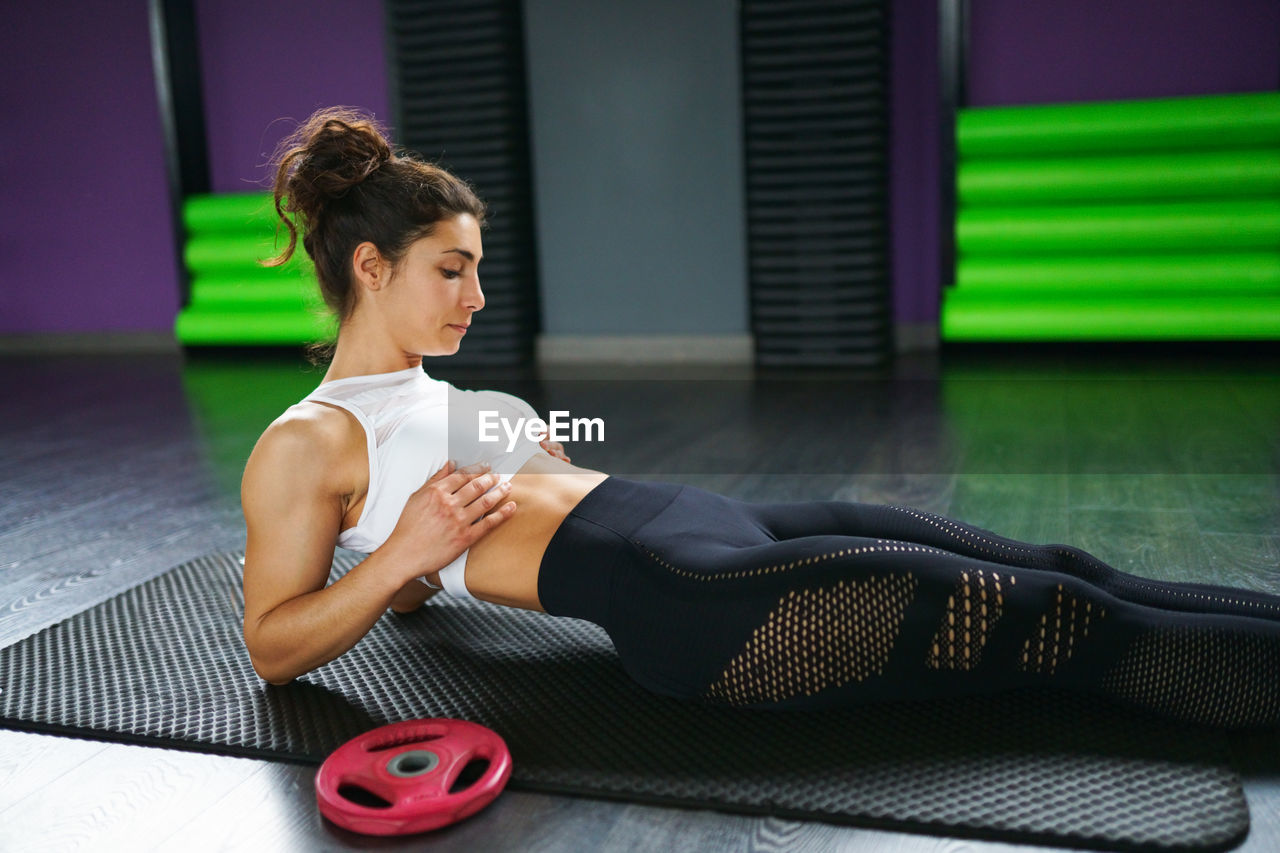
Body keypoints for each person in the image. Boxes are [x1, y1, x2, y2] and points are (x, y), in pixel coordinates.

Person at [241, 108, 1280, 729]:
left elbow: (428, 580)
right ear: (371, 269)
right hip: (692, 599)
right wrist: (391, 559)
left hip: (708, 520)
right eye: (451, 271)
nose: (474, 298)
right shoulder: (304, 440)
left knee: (1062, 564)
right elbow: (271, 645)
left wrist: (419, 553)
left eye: (477, 271)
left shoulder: (444, 395)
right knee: (1066, 625)